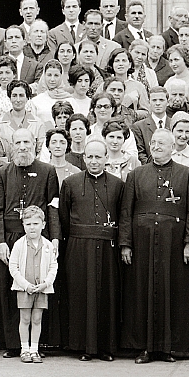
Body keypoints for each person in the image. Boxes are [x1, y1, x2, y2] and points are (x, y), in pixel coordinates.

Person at [119, 129, 189, 363]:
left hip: (173, 243)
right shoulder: (136, 175)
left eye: (162, 143)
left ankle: (167, 348)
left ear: (173, 147)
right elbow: (126, 212)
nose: (155, 146)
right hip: (142, 242)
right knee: (142, 292)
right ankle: (144, 347)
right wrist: (125, 244)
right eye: (153, 142)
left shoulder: (187, 175)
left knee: (170, 292)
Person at [0, 129, 62, 357]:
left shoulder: (47, 171)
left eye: (26, 142)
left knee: (38, 291)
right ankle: (13, 345)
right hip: (9, 239)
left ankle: (36, 345)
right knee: (10, 292)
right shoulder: (1, 173)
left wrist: (55, 237)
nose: (22, 147)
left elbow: (53, 207)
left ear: (35, 144)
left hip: (38, 239)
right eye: (18, 142)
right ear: (12, 145)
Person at [58, 138, 125, 361]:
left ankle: (106, 347)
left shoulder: (117, 185)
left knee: (107, 295)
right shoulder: (71, 183)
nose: (94, 161)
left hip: (108, 248)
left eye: (99, 157)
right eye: (90, 157)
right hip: (79, 247)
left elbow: (122, 217)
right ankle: (83, 346)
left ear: (106, 158)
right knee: (80, 295)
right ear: (83, 158)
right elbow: (64, 218)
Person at [8, 206, 57, 364]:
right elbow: (13, 267)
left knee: (37, 319)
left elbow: (53, 267)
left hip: (41, 288)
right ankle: (24, 350)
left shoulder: (49, 246)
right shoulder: (19, 245)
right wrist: (24, 285)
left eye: (36, 223)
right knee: (25, 318)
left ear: (43, 224)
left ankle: (35, 349)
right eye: (28, 224)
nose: (32, 227)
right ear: (23, 225)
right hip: (25, 288)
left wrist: (46, 284)